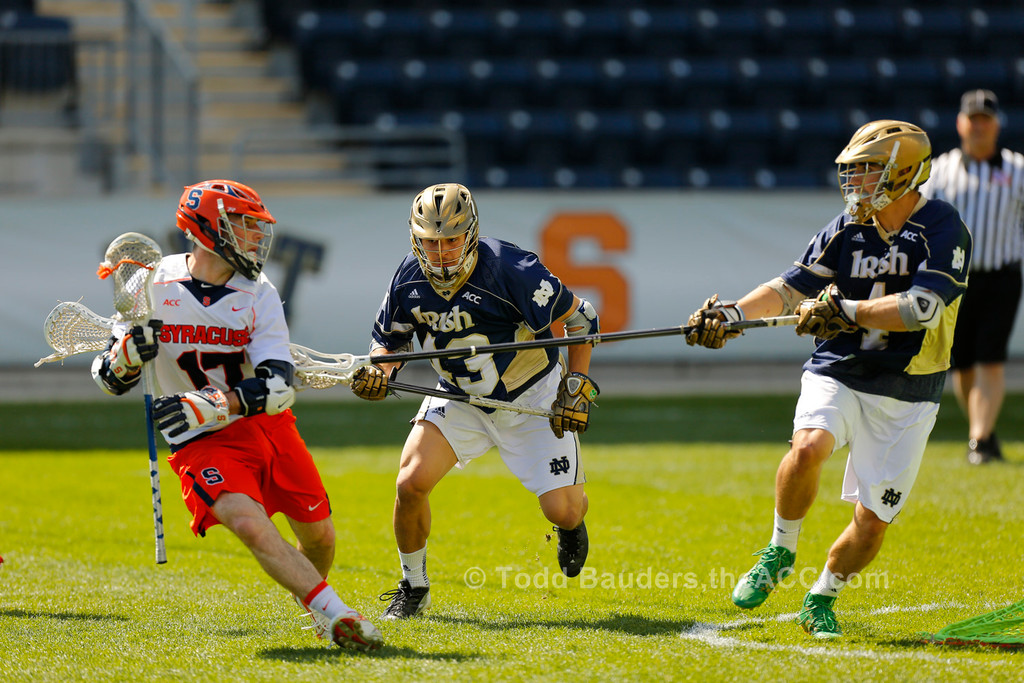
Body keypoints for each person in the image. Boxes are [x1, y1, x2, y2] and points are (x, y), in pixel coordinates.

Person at [685, 121, 971, 639]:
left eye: (867, 169)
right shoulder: (845, 227)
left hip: (909, 386)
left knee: (872, 520)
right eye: (854, 170)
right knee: (808, 445)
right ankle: (780, 548)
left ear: (903, 171)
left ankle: (822, 595)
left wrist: (847, 309)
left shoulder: (945, 227)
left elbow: (922, 308)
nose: (856, 181)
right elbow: (789, 288)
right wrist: (733, 315)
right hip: (839, 366)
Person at [90, 179, 383, 652]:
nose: (254, 236)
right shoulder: (152, 283)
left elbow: (277, 385)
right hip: (199, 441)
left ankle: (313, 604)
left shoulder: (258, 292)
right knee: (249, 524)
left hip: (263, 425)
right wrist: (127, 354)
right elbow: (109, 378)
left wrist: (211, 404)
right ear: (208, 229)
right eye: (243, 225)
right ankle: (336, 613)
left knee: (321, 538)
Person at [350, 183, 599, 619]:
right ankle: (414, 587)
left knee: (563, 510)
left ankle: (571, 528)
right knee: (410, 483)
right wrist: (380, 373)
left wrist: (576, 383)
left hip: (531, 398)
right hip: (459, 397)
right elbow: (389, 344)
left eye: (450, 240)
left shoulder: (511, 269)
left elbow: (583, 318)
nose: (441, 252)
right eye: (430, 241)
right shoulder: (408, 277)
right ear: (416, 239)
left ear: (471, 233)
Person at [920, 89, 1024, 465]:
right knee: (961, 363)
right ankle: (982, 432)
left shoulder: (1017, 169)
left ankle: (979, 440)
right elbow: (924, 223)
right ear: (961, 123)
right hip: (955, 281)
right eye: (973, 119)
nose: (979, 126)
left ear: (996, 125)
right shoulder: (942, 170)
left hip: (1002, 276)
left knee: (990, 359)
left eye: (986, 119)